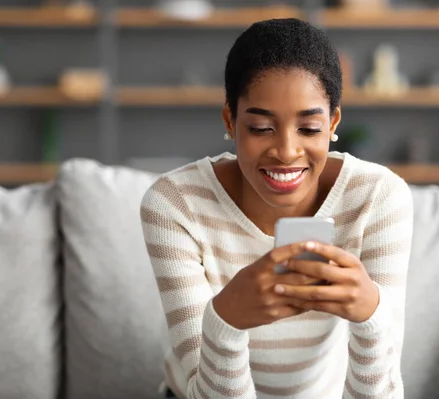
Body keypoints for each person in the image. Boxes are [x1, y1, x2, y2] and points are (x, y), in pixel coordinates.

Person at [140, 17, 413, 399]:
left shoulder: (377, 197)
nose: (286, 152)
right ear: (230, 120)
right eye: (261, 128)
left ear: (333, 121)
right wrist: (225, 320)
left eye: (309, 128)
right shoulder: (174, 205)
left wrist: (371, 316)